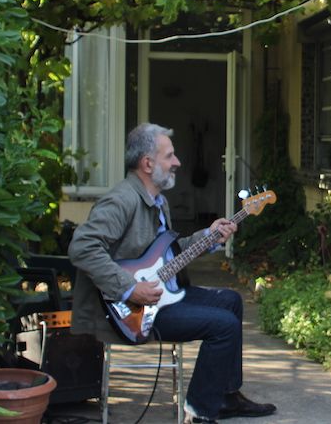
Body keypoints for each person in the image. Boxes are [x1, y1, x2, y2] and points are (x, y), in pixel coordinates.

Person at [68, 123, 276, 423]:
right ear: (148, 163)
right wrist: (129, 288)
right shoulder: (122, 200)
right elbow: (82, 247)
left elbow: (167, 253)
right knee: (224, 325)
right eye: (170, 156)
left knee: (231, 301)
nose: (177, 162)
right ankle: (200, 412)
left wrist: (208, 235)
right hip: (131, 310)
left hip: (160, 295)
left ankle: (226, 397)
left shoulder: (158, 201)